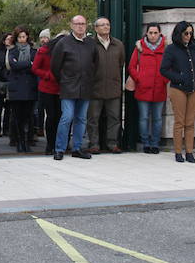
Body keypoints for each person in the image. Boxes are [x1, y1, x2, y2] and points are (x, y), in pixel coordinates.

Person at [51, 15, 98, 161]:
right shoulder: (63, 43)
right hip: (68, 87)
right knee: (67, 117)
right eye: (77, 23)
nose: (80, 26)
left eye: (83, 24)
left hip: (85, 87)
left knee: (81, 118)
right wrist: (65, 80)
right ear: (71, 25)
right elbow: (55, 66)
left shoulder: (91, 43)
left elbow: (95, 64)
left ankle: (77, 148)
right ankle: (59, 148)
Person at [160, 21, 195, 163]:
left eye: (191, 33)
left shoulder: (194, 48)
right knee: (179, 121)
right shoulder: (171, 49)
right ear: (179, 33)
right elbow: (164, 69)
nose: (188, 36)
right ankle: (178, 152)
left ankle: (190, 152)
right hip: (178, 88)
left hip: (194, 88)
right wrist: (179, 78)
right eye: (186, 33)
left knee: (190, 122)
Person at [86, 17, 126, 154]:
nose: (106, 27)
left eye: (108, 24)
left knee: (114, 118)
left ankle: (112, 143)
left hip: (113, 88)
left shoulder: (118, 45)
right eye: (102, 25)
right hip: (94, 88)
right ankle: (94, 144)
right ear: (96, 28)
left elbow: (121, 63)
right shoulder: (90, 44)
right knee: (93, 119)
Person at [128, 24, 169, 154]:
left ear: (159, 34)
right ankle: (145, 143)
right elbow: (132, 67)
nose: (152, 35)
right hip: (143, 88)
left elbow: (171, 67)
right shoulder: (139, 48)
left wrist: (164, 80)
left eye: (155, 33)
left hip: (159, 89)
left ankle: (155, 143)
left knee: (157, 118)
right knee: (144, 117)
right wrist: (139, 78)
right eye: (150, 32)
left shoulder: (166, 49)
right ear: (146, 33)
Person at [7, 26, 39, 153]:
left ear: (27, 37)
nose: (22, 39)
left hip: (29, 88)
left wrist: (25, 65)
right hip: (16, 88)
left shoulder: (33, 51)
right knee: (17, 117)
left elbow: (35, 66)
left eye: (24, 36)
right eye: (19, 37)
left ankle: (27, 141)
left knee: (28, 116)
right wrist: (28, 64)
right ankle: (19, 141)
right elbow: (13, 65)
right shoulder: (13, 50)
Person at [32, 30, 60, 155]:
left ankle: (60, 144)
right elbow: (35, 68)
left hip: (62, 89)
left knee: (61, 117)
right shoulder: (43, 51)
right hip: (47, 88)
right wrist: (47, 75)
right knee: (51, 117)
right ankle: (50, 145)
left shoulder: (64, 52)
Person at [0, 32, 14, 139]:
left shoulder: (14, 52)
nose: (9, 41)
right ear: (3, 41)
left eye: (11, 39)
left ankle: (6, 129)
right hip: (1, 82)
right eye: (7, 39)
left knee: (9, 108)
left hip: (11, 82)